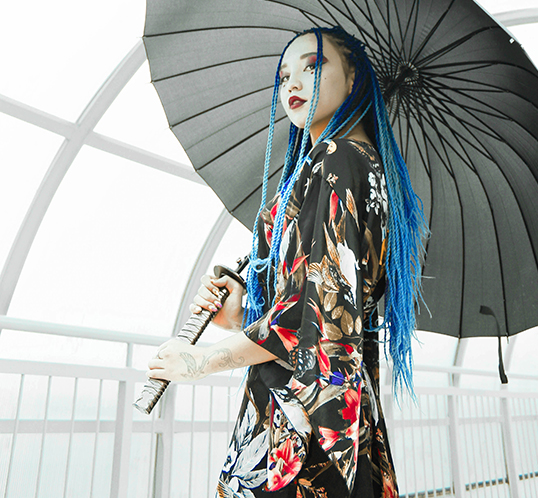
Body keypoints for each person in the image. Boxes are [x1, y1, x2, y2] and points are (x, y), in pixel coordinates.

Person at [147, 26, 427, 497]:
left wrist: (197, 361)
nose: (293, 83)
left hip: (300, 438)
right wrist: (241, 315)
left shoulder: (336, 159)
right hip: (341, 426)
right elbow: (321, 306)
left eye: (313, 66)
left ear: (354, 76)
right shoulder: (364, 165)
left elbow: (308, 320)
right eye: (284, 75)